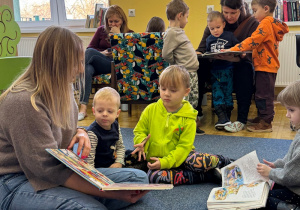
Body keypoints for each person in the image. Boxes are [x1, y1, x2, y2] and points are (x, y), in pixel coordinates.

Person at [0, 26, 149, 209]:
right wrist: (107, 190)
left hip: (59, 170)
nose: (81, 69)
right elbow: (45, 169)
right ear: (57, 63)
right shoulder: (23, 102)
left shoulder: (64, 88)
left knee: (138, 180)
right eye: (76, 63)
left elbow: (62, 137)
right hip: (17, 180)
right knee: (91, 207)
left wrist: (80, 131)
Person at [126, 65, 232, 186]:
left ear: (186, 91)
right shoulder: (150, 110)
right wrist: (141, 143)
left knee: (198, 161)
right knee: (153, 177)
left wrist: (166, 162)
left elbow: (183, 147)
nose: (166, 94)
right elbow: (139, 131)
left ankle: (223, 161)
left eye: (173, 90)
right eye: (163, 88)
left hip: (183, 156)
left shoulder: (189, 117)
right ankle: (206, 175)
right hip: (156, 159)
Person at [196, 0, 259, 133]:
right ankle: (196, 111)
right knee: (198, 64)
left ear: (241, 9)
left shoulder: (251, 23)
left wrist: (234, 57)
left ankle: (241, 118)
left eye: (233, 13)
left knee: (245, 69)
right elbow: (201, 49)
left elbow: (253, 53)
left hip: (238, 66)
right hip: (216, 66)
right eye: (225, 12)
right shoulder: (214, 24)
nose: (229, 16)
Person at [227, 0, 289, 132]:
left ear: (266, 8)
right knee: (262, 93)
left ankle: (266, 122)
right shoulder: (271, 23)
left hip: (265, 66)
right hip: (266, 65)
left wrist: (233, 49)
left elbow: (253, 40)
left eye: (255, 11)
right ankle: (262, 117)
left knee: (264, 95)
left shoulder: (266, 23)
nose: (253, 14)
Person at [78, 5, 133, 121]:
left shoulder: (129, 33)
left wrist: (118, 37)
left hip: (115, 65)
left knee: (87, 59)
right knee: (87, 67)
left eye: (116, 21)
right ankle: (83, 109)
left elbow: (129, 57)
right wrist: (102, 53)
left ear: (122, 21)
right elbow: (90, 48)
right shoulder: (101, 30)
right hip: (100, 62)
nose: (113, 24)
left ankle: (75, 72)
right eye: (110, 22)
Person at [256, 80, 300, 209]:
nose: (287, 115)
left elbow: (289, 177)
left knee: (264, 201)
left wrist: (270, 173)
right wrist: (277, 164)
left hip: (297, 192)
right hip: (294, 184)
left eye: (291, 110)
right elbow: (292, 158)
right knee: (270, 189)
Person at [162, 0, 203, 134]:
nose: (187, 20)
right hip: (185, 73)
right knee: (185, 101)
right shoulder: (172, 32)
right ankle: (181, 127)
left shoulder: (178, 31)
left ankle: (190, 125)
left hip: (192, 72)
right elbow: (166, 54)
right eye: (186, 17)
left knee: (193, 100)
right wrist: (176, 66)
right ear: (180, 16)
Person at [205, 11, 240, 130]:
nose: (215, 30)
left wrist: (231, 54)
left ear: (224, 24)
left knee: (227, 93)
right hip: (215, 71)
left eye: (218, 27)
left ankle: (227, 117)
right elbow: (207, 53)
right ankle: (221, 117)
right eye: (212, 28)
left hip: (228, 70)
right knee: (217, 93)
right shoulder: (209, 39)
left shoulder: (229, 36)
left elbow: (238, 48)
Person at [85, 87, 125, 168]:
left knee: (138, 156)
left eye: (110, 111)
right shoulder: (92, 133)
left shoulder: (115, 125)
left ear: (117, 113)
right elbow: (89, 162)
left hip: (112, 161)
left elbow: (120, 146)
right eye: (100, 111)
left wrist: (119, 162)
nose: (105, 114)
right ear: (94, 111)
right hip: (99, 169)